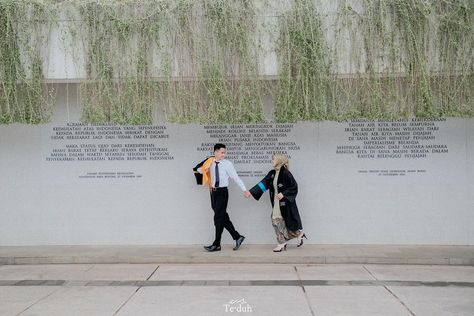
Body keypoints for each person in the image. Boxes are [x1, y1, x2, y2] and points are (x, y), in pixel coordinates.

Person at [245, 154, 306, 252]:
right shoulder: (272, 173)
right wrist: (251, 192)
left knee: (278, 221)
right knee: (277, 221)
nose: (272, 161)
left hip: (285, 203)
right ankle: (296, 235)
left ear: (280, 160)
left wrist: (284, 194)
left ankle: (283, 242)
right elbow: (264, 183)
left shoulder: (286, 173)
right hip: (276, 202)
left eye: (274, 159)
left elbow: (294, 187)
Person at [202, 143, 251, 252]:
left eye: (225, 152)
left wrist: (244, 189)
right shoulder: (210, 162)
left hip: (222, 192)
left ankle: (217, 244)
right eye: (222, 152)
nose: (224, 154)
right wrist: (205, 171)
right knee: (222, 217)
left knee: (218, 218)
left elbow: (236, 178)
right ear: (215, 152)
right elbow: (200, 170)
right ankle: (237, 237)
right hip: (213, 192)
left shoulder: (227, 164)